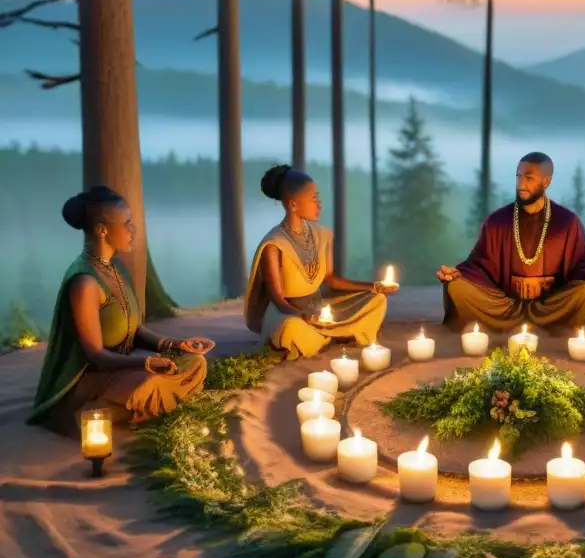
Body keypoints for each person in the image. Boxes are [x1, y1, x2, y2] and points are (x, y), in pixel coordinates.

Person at [29, 186, 210, 436]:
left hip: (124, 368)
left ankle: (126, 408)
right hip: (93, 378)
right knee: (150, 383)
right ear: (102, 230)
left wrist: (175, 345)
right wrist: (146, 363)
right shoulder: (86, 283)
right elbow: (97, 356)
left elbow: (134, 330)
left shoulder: (116, 269)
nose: (132, 230)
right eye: (126, 223)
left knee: (195, 363)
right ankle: (91, 414)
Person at [437, 152, 585, 333]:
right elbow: (480, 264)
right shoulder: (497, 221)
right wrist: (458, 274)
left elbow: (582, 262)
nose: (521, 184)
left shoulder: (566, 222)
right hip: (503, 307)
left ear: (546, 182)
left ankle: (554, 328)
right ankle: (523, 328)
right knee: (457, 287)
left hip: (551, 307)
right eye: (518, 176)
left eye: (529, 178)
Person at [244, 165, 393, 360]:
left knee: (377, 300)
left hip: (320, 308)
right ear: (293, 204)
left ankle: (323, 335)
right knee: (289, 329)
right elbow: (277, 299)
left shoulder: (321, 235)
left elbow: (330, 279)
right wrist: (301, 314)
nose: (319, 204)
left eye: (318, 197)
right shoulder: (274, 244)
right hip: (291, 314)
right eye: (313, 198)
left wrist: (373, 286)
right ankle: (329, 335)